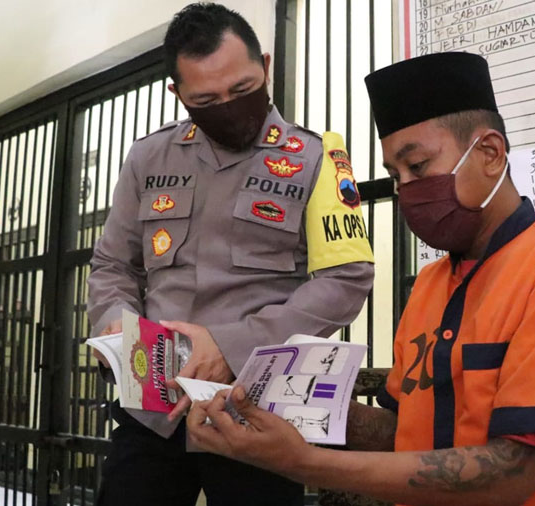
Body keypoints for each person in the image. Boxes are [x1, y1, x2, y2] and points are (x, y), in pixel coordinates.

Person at [185, 52, 535, 506]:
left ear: (490, 154)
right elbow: (406, 433)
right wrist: (282, 405)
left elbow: (514, 470)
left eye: (418, 166)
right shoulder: (430, 286)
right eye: (395, 176)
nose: (406, 190)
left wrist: (300, 461)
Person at [86, 3, 374, 505]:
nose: (229, 106)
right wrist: (116, 322)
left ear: (264, 65)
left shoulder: (316, 158)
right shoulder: (148, 158)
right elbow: (113, 265)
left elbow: (346, 279)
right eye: (206, 99)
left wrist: (229, 347)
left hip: (257, 409)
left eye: (242, 90)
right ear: (177, 94)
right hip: (153, 409)